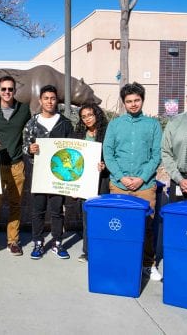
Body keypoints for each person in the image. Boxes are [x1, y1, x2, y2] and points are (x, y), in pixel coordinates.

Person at [103, 82, 162, 281]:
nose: (133, 104)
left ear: (142, 100)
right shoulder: (115, 124)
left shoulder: (153, 125)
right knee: (119, 225)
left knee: (146, 226)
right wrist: (121, 177)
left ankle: (147, 264)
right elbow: (108, 154)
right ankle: (120, 261)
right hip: (119, 185)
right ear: (124, 103)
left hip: (144, 186)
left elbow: (156, 155)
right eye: (129, 101)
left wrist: (141, 178)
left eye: (137, 100)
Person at [0, 75, 32, 256]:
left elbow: (30, 133)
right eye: (3, 89)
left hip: (17, 164)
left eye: (10, 89)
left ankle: (13, 241)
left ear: (15, 91)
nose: (7, 92)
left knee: (15, 204)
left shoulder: (24, 109)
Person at [23, 85, 73, 259]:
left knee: (57, 210)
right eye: (46, 98)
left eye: (53, 98)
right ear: (40, 101)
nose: (50, 102)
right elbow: (24, 146)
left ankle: (57, 243)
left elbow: (72, 150)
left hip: (59, 175)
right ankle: (38, 242)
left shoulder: (65, 123)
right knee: (38, 210)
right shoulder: (32, 123)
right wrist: (30, 149)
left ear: (56, 100)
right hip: (38, 174)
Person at [71, 103, 109, 263]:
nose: (87, 119)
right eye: (84, 116)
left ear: (97, 115)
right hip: (84, 180)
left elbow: (113, 154)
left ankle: (102, 250)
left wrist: (105, 164)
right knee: (86, 216)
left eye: (90, 115)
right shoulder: (79, 134)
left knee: (101, 215)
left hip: (102, 180)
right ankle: (87, 252)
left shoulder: (107, 133)